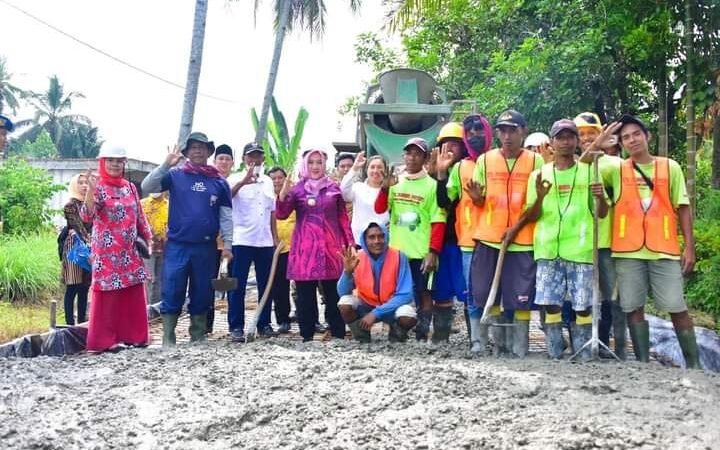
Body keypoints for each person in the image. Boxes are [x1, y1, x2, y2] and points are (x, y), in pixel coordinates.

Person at [594, 115, 701, 368]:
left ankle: (695, 365)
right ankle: (643, 364)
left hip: (663, 249)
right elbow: (586, 164)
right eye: (626, 137)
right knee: (633, 306)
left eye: (636, 134)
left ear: (647, 136)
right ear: (621, 143)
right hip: (628, 250)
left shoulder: (669, 167)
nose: (632, 140)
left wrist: (690, 247)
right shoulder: (617, 169)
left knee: (676, 306)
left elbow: (683, 207)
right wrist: (597, 144)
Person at [519, 119, 608, 360]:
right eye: (560, 137)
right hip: (548, 248)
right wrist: (539, 197)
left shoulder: (590, 172)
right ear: (552, 142)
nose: (566, 142)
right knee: (550, 303)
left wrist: (601, 198)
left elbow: (601, 213)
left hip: (580, 248)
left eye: (570, 137)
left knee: (583, 304)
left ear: (577, 141)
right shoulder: (538, 175)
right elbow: (532, 215)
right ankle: (555, 351)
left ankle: (583, 351)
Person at [141, 132, 233, 346]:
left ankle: (198, 334)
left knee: (202, 291)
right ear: (187, 152)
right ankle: (168, 337)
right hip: (177, 245)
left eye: (202, 147)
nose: (198, 150)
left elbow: (226, 216)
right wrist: (165, 164)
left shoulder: (218, 182)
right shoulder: (174, 175)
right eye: (193, 147)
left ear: (209, 151)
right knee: (172, 288)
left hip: (206, 247)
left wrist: (227, 244)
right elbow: (148, 187)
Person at [466, 109, 544, 357]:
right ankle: (497, 347)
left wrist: (515, 229)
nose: (507, 136)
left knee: (520, 296)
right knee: (487, 292)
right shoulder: (485, 160)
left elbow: (535, 204)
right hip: (489, 238)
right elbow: (479, 200)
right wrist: (477, 199)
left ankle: (519, 349)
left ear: (524, 131)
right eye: (502, 131)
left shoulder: (536, 161)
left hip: (522, 241)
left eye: (513, 130)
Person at [80, 145, 153, 352]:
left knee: (133, 291)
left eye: (119, 160)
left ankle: (135, 337)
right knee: (108, 296)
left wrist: (148, 237)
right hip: (106, 253)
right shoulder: (98, 186)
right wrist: (91, 191)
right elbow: (86, 215)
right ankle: (104, 341)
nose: (115, 164)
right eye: (110, 160)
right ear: (103, 162)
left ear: (124, 163)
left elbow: (139, 214)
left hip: (129, 250)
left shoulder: (129, 187)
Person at [276, 148, 354, 342]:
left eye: (319, 162)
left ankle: (337, 333)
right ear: (305, 165)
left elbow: (343, 219)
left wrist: (350, 243)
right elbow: (282, 214)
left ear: (324, 165)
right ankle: (307, 335)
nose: (315, 166)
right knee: (305, 295)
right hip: (305, 250)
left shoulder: (334, 188)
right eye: (311, 163)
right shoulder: (297, 190)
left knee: (333, 293)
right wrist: (283, 195)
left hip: (331, 249)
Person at [374, 137, 446, 342]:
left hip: (420, 251)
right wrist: (385, 188)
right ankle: (396, 330)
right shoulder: (395, 182)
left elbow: (439, 221)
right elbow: (380, 209)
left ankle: (422, 332)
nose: (411, 157)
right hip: (396, 252)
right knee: (394, 292)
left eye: (417, 154)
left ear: (424, 158)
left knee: (424, 292)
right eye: (408, 153)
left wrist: (433, 251)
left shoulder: (432, 186)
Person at [436, 115, 493, 349]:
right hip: (468, 240)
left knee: (495, 291)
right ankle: (477, 341)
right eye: (469, 133)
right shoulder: (460, 169)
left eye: (479, 131)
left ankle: (498, 341)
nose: (474, 136)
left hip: (498, 238)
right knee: (471, 292)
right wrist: (440, 174)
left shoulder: (497, 161)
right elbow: (443, 202)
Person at [574, 111, 627, 359]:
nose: (586, 138)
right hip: (579, 244)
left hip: (608, 242)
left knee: (612, 297)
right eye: (581, 134)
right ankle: (583, 342)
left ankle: (617, 346)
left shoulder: (615, 165)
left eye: (591, 134)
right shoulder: (571, 166)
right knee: (581, 296)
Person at [226, 142, 278, 341]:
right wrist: (243, 182)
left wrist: (275, 237)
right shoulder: (233, 179)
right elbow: (226, 198)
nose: (255, 160)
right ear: (243, 159)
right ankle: (236, 326)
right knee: (236, 285)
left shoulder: (267, 181)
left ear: (263, 159)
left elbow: (271, 211)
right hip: (241, 240)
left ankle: (264, 324)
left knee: (266, 284)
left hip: (264, 241)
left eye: (258, 156)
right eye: (251, 156)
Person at [337, 223, 417, 342]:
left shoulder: (399, 256)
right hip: (366, 306)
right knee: (344, 303)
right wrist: (347, 272)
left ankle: (396, 337)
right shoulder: (357, 258)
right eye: (372, 237)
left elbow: (405, 294)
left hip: (392, 307)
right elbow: (342, 292)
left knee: (408, 315)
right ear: (364, 240)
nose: (377, 241)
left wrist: (376, 313)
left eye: (381, 236)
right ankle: (362, 337)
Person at [206, 143, 234, 334]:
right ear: (214, 162)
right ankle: (207, 324)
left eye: (227, 159)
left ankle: (232, 324)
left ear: (232, 162)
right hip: (210, 243)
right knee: (207, 283)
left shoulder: (237, 181)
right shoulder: (208, 181)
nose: (223, 162)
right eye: (220, 158)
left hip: (231, 244)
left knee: (229, 284)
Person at [61, 173, 93, 325]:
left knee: (84, 288)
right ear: (75, 185)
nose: (84, 185)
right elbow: (78, 227)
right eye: (80, 183)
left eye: (86, 182)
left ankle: (81, 322)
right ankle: (69, 324)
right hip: (74, 247)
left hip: (90, 247)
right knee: (73, 285)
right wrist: (90, 240)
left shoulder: (90, 204)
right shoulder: (70, 206)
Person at [340, 151, 390, 244]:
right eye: (372, 167)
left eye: (380, 167)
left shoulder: (390, 191)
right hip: (359, 241)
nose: (376, 171)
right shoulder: (358, 187)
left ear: (385, 171)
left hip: (381, 242)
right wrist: (354, 168)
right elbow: (343, 192)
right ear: (367, 170)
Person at [268, 166, 295, 334]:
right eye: (273, 178)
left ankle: (310, 319)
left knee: (304, 286)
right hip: (278, 249)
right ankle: (283, 320)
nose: (277, 181)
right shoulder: (266, 198)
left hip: (297, 248)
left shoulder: (293, 198)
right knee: (280, 286)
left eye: (280, 178)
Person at [141, 192, 168, 305]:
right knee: (147, 279)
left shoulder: (169, 205)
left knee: (160, 280)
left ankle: (155, 310)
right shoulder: (143, 204)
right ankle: (145, 309)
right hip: (148, 248)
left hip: (165, 247)